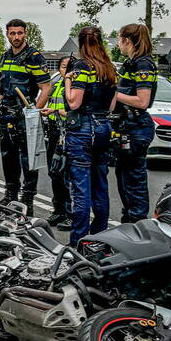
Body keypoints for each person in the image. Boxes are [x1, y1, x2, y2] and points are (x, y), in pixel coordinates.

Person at [63, 27, 118, 245]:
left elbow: (74, 102)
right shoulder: (109, 68)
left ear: (81, 43)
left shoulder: (81, 66)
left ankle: (78, 242)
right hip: (104, 126)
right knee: (100, 186)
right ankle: (100, 238)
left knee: (81, 189)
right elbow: (112, 105)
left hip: (83, 128)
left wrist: (68, 80)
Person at [0, 19, 53, 214]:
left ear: (26, 33)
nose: (16, 37)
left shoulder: (34, 57)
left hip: (25, 114)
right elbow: (1, 83)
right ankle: (10, 194)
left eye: (20, 33)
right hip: (6, 115)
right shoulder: (4, 57)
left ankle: (27, 198)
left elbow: (46, 88)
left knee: (28, 160)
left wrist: (33, 111)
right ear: (7, 34)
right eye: (12, 33)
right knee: (7, 157)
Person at [113, 23, 158, 224]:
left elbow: (142, 101)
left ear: (127, 40)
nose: (117, 43)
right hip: (126, 126)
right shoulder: (130, 63)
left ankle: (137, 224)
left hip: (137, 127)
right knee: (124, 179)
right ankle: (128, 222)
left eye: (119, 38)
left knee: (133, 181)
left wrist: (114, 94)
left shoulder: (143, 64)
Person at [41, 57, 73, 230]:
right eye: (62, 66)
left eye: (68, 67)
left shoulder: (74, 85)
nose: (65, 70)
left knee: (66, 175)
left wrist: (55, 110)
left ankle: (70, 213)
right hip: (54, 132)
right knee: (54, 172)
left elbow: (74, 111)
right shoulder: (57, 82)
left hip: (68, 132)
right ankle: (58, 210)